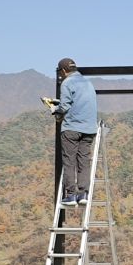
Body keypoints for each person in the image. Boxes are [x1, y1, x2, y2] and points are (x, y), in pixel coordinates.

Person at [47, 58, 98, 206]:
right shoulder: (88, 83)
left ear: (63, 71)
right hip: (89, 129)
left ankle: (70, 195)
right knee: (84, 161)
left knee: (69, 161)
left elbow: (64, 106)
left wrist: (54, 109)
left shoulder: (67, 83)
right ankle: (83, 194)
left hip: (72, 128)